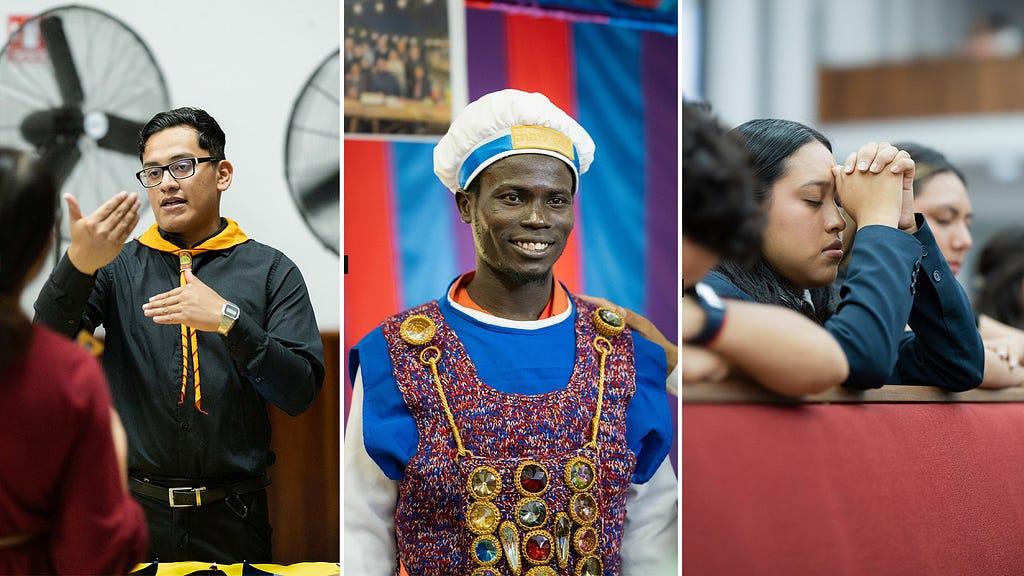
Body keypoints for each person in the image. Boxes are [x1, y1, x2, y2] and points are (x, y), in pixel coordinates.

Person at [344, 89, 676, 576]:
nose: (538, 219)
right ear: (465, 205)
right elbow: (361, 531)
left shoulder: (623, 352)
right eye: (512, 196)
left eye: (556, 200)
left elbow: (652, 536)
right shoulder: (397, 355)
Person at [33, 108, 325, 563]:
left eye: (182, 166)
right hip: (133, 511)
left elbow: (299, 393)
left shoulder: (272, 272)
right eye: (153, 172)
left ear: (222, 173)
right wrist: (79, 265)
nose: (167, 182)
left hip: (234, 515)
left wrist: (231, 320)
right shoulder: (118, 266)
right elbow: (45, 348)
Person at [705, 119, 984, 391]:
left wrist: (906, 227)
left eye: (839, 202)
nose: (838, 221)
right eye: (814, 200)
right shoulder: (716, 299)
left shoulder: (824, 306)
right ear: (744, 209)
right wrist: (877, 221)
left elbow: (959, 364)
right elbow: (859, 358)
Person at [0, 148, 147, 574]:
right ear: (44, 246)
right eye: (153, 171)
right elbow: (93, 551)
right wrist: (115, 451)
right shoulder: (66, 374)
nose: (169, 183)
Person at [894, 143, 1024, 387]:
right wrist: (987, 353)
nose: (965, 241)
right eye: (944, 219)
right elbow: (967, 361)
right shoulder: (848, 295)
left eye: (967, 223)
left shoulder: (949, 309)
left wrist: (1013, 347)